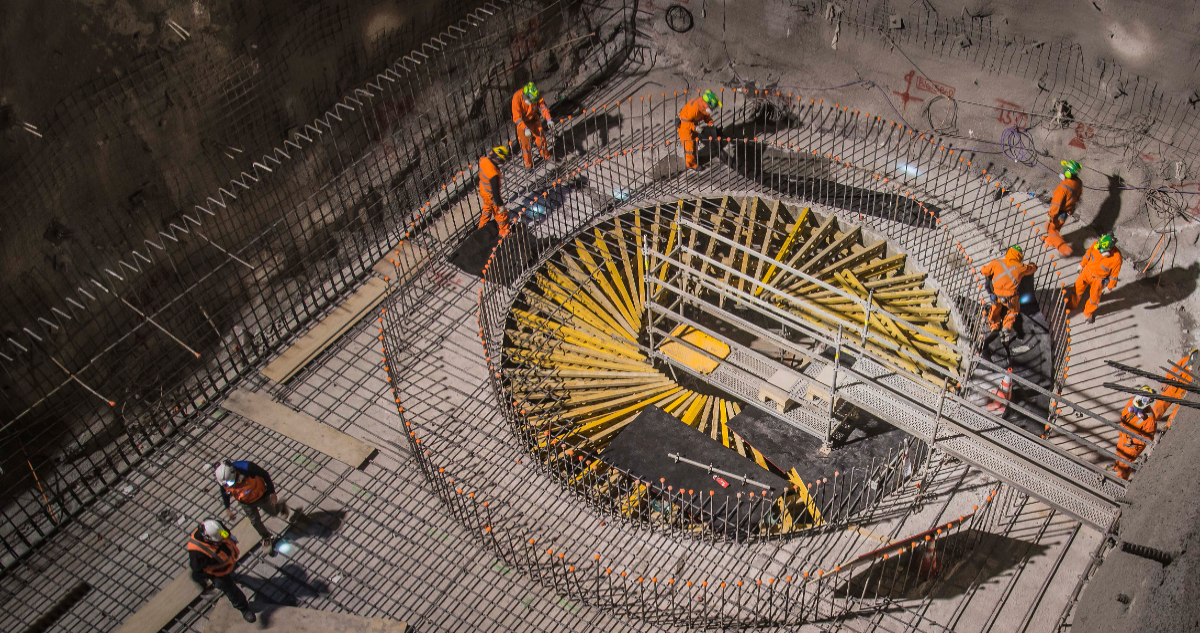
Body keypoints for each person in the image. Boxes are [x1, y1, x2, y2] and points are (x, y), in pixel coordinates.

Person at [188, 518, 256, 623]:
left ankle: (230, 571)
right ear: (206, 538)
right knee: (230, 590)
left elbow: (224, 532)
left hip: (228, 562)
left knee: (230, 578)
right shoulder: (197, 553)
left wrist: (230, 537)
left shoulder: (212, 525)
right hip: (217, 573)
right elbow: (197, 571)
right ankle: (244, 609)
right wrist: (205, 584)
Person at [215, 459, 288, 551]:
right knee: (254, 521)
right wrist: (227, 509)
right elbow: (224, 492)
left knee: (272, 512)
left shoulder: (246, 467)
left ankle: (281, 506)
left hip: (260, 495)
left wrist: (272, 493)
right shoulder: (223, 479)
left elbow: (265, 474)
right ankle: (266, 536)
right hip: (245, 502)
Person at [979, 245, 1037, 342]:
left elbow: (984, 271)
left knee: (994, 311)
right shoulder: (1021, 267)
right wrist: (1034, 265)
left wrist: (983, 270)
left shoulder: (997, 263)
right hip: (1010, 298)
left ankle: (994, 327)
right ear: (1020, 257)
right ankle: (1007, 327)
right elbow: (1031, 269)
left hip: (996, 295)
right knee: (1013, 311)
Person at [1068, 233, 1122, 324]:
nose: (1099, 251)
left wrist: (1110, 287)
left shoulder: (1116, 258)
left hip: (1099, 279)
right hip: (1087, 271)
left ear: (1109, 249)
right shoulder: (1097, 244)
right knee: (1077, 288)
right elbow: (1088, 254)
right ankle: (1072, 304)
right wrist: (1082, 264)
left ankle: (1088, 313)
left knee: (1094, 298)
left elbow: (1114, 275)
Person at [1114, 386, 1158, 480]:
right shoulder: (1132, 401)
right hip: (1123, 437)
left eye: (1139, 409)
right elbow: (1124, 414)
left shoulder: (1150, 420)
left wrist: (1133, 440)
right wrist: (1122, 425)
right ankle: (1116, 468)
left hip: (1132, 446)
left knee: (1124, 465)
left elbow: (1148, 439)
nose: (1135, 409)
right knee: (1118, 453)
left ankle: (1120, 482)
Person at [1043, 160, 1082, 256]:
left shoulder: (1063, 187)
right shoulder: (1078, 182)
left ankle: (1064, 249)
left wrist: (1050, 215)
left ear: (1068, 173)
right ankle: (1050, 240)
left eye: (1064, 170)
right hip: (1068, 210)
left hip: (1059, 212)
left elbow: (1056, 203)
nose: (1062, 172)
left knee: (1050, 229)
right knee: (1057, 227)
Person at [512, 82, 554, 168]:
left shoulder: (535, 94)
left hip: (534, 119)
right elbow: (516, 118)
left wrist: (549, 119)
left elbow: (543, 106)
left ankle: (546, 156)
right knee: (525, 146)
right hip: (522, 124)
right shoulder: (516, 98)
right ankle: (528, 165)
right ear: (525, 95)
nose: (531, 103)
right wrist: (525, 129)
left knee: (541, 139)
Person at [676, 90, 721, 169]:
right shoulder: (694, 110)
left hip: (692, 123)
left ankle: (695, 158)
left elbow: (705, 115)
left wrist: (711, 124)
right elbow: (684, 121)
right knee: (689, 147)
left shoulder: (702, 105)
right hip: (685, 127)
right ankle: (691, 164)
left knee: (695, 142)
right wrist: (694, 127)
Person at [478, 145, 512, 237]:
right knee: (501, 215)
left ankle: (481, 228)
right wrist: (500, 204)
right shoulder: (493, 174)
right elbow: (495, 191)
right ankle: (504, 233)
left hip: (483, 191)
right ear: (498, 159)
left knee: (487, 210)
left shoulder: (484, 160)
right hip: (491, 195)